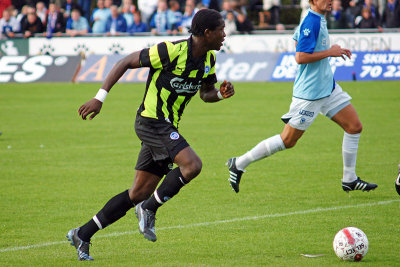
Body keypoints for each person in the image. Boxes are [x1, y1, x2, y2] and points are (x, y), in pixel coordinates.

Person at [67, 8, 234, 261]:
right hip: (151, 121)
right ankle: (148, 209)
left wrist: (220, 94)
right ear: (207, 32)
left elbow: (205, 93)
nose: (225, 34)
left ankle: (83, 233)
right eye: (221, 29)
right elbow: (124, 62)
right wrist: (99, 98)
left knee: (139, 192)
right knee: (192, 165)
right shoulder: (170, 50)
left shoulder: (209, 60)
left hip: (168, 127)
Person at [226, 0, 378, 195]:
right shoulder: (312, 21)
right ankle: (238, 163)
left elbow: (297, 39)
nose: (331, 0)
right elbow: (300, 56)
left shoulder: (317, 18)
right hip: (310, 93)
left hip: (327, 87)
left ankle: (349, 179)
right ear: (313, 1)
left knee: (354, 126)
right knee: (287, 140)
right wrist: (330, 52)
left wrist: (328, 51)